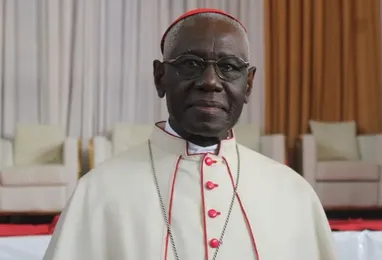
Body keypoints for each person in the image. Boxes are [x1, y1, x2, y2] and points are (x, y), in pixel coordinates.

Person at [44, 8, 336, 260]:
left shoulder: (293, 194)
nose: (210, 82)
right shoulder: (98, 193)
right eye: (190, 65)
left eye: (229, 68)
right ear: (160, 78)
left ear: (248, 85)